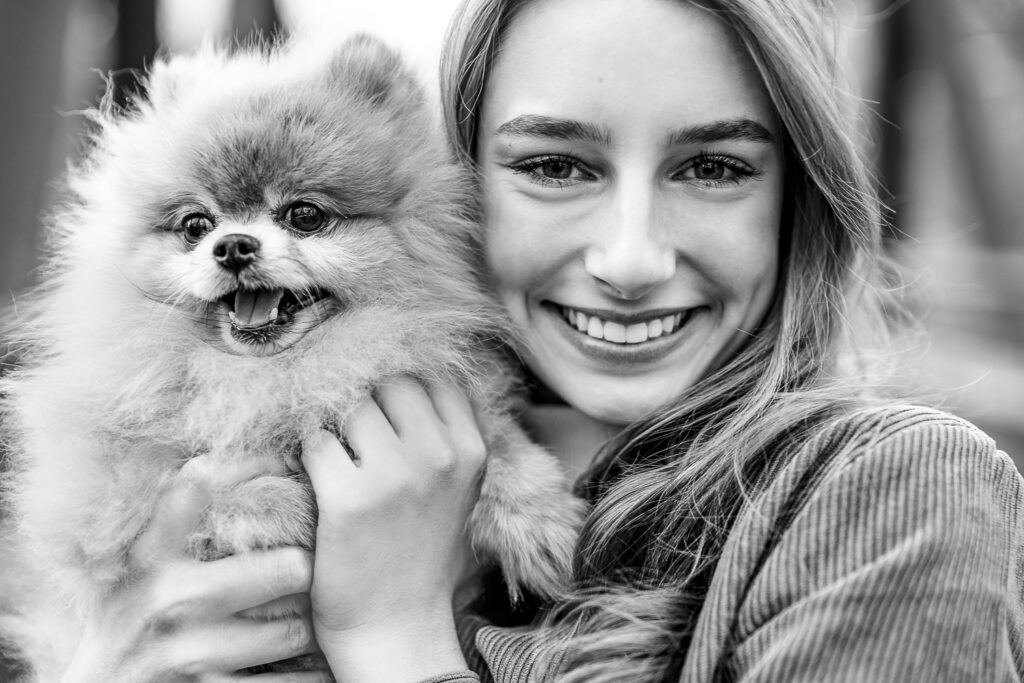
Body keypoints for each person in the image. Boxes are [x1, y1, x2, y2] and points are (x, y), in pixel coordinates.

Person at [56, 0, 1024, 681]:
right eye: (557, 165)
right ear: (462, 183)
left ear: (798, 197)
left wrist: (394, 637)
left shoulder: (896, 494)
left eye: (713, 167)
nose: (630, 255)